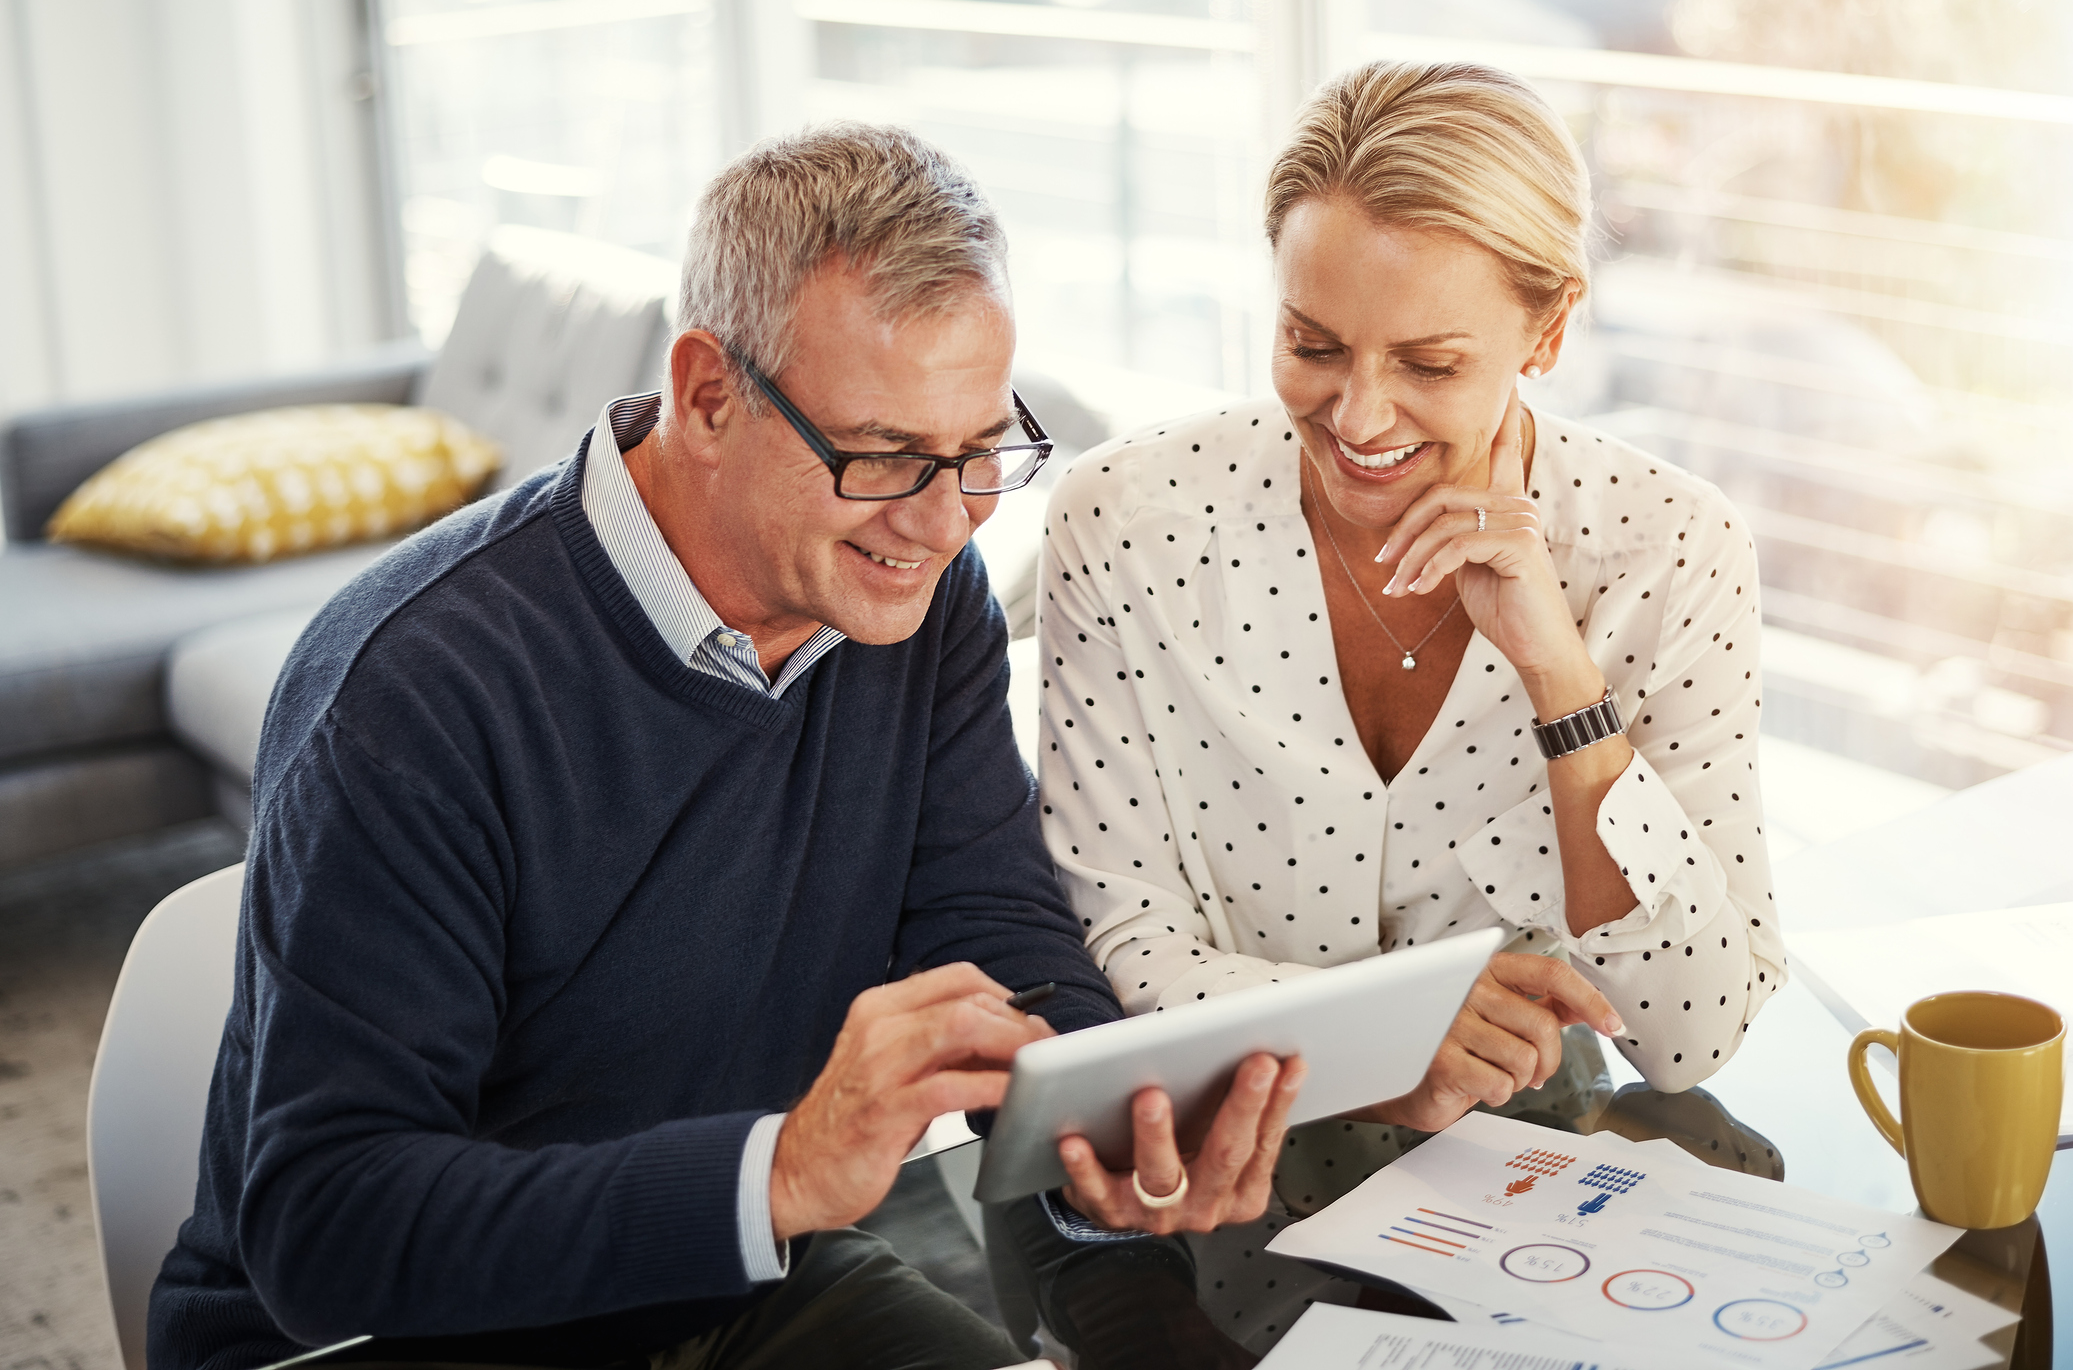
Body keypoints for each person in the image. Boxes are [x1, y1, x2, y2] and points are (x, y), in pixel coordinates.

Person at [146, 124, 1301, 1370]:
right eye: (884, 456)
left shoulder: (913, 601)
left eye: (979, 452)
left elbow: (993, 929)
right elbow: (324, 1226)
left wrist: (1102, 1131)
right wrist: (780, 1172)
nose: (942, 521)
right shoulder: (414, 689)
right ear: (706, 396)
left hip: (719, 1276)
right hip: (391, 1338)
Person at [1030, 61, 1788, 1355]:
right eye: (1311, 345)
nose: (1358, 415)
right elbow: (1119, 945)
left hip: (1525, 1215)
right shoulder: (1126, 523)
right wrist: (1384, 1041)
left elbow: (1692, 1030)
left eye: (1429, 363)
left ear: (1547, 332)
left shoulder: (1670, 549)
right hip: (1184, 1219)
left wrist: (1559, 677)